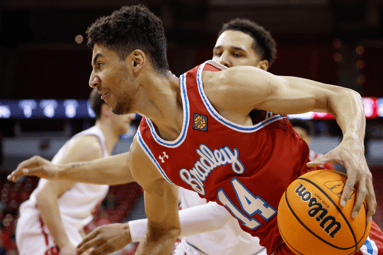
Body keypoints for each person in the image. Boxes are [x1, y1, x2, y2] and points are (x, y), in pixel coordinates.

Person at [8, 5, 379, 255]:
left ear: (136, 61)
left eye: (100, 64)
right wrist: (59, 171)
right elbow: (162, 232)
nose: (93, 79)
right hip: (280, 244)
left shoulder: (217, 88)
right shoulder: (149, 151)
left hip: (331, 215)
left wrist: (352, 146)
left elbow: (339, 95)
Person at [15, 88, 135, 255]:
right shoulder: (90, 145)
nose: (132, 116)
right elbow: (45, 196)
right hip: (43, 225)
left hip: (60, 227)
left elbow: (72, 214)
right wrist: (64, 244)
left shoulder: (101, 149)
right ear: (106, 110)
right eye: (126, 109)